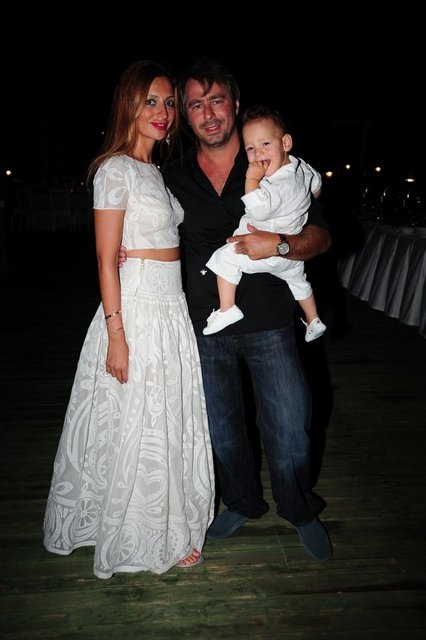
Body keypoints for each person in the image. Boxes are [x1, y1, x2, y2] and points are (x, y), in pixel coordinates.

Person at [120, 58, 333, 561]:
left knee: (291, 426)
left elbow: (322, 236)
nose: (208, 113)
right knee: (220, 430)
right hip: (202, 323)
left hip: (269, 320)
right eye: (196, 104)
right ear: (185, 114)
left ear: (235, 105)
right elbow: (154, 229)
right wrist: (133, 251)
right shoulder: (172, 176)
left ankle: (298, 507)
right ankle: (242, 502)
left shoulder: (272, 159)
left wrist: (280, 244)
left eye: (217, 101)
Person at [43, 60, 215, 579]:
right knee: (137, 418)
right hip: (138, 310)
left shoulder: (154, 170)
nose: (163, 112)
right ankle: (139, 529)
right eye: (150, 102)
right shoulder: (114, 169)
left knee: (159, 418)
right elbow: (104, 258)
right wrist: (116, 334)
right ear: (129, 106)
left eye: (168, 103)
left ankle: (159, 520)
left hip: (170, 307)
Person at [202, 104, 326, 342]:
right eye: (251, 148)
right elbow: (317, 186)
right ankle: (313, 319)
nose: (258, 154)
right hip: (291, 259)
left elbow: (257, 211)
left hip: (266, 254)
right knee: (299, 282)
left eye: (265, 144)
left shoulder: (278, 186)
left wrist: (251, 178)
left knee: (223, 258)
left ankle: (227, 308)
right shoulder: (302, 168)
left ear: (285, 143)